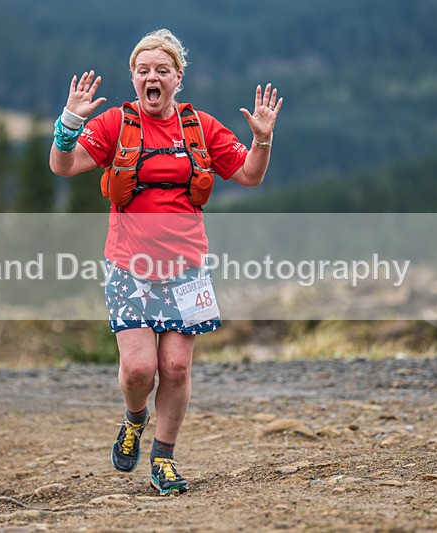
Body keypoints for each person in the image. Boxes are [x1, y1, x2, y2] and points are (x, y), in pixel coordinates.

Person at [49, 29, 282, 496]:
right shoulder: (116, 123)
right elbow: (64, 165)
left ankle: (164, 459)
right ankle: (135, 419)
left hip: (187, 269)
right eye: (143, 71)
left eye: (162, 70)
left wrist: (262, 140)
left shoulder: (202, 127)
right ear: (134, 78)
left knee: (175, 368)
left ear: (178, 77)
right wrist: (69, 121)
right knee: (140, 370)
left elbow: (250, 176)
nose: (151, 77)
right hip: (127, 267)